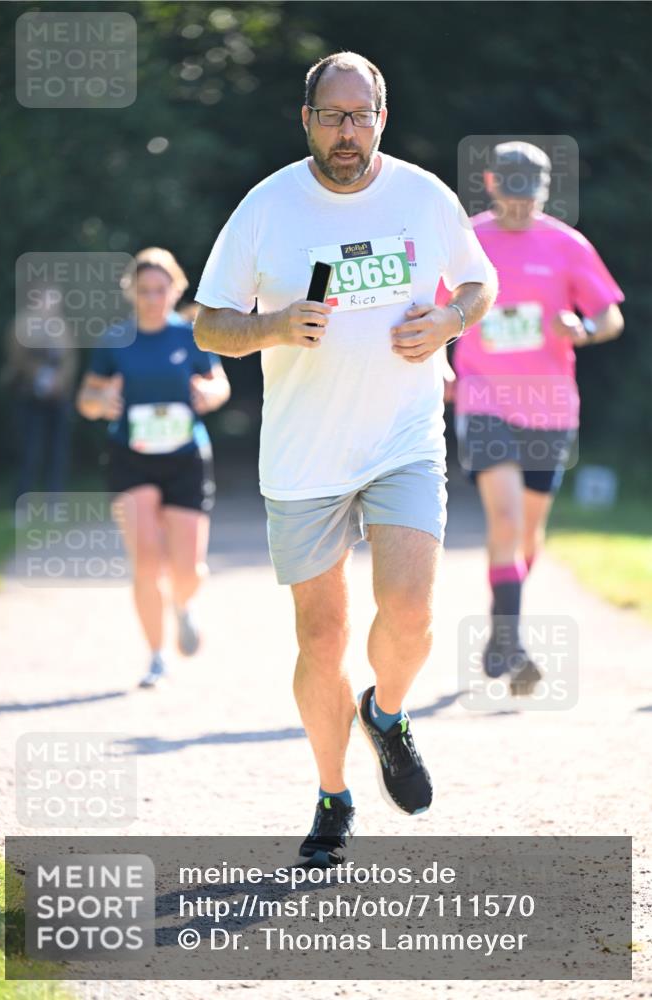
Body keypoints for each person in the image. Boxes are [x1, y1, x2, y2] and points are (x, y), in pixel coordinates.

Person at [193, 52, 497, 865]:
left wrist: (446, 326)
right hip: (304, 456)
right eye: (331, 115)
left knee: (409, 611)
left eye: (359, 116)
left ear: (381, 120)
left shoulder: (423, 196)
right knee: (321, 638)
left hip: (401, 438)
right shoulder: (267, 207)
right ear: (305, 120)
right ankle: (333, 795)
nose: (346, 131)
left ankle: (388, 714)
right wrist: (270, 326)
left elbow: (478, 284)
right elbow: (208, 323)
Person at [442, 142, 624, 693]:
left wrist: (583, 329)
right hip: (484, 398)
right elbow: (426, 310)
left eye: (530, 196)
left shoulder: (566, 245)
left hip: (549, 405)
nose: (519, 206)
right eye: (510, 193)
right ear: (493, 183)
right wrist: (438, 364)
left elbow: (609, 315)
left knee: (528, 534)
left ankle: (501, 626)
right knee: (505, 520)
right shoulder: (465, 241)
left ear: (542, 191)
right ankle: (511, 640)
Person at [77, 248, 230, 688]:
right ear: (133, 293)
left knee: (188, 570)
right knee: (146, 562)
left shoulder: (191, 336)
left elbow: (219, 382)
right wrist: (100, 402)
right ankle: (156, 655)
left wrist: (210, 394)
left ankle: (183, 605)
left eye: (160, 290)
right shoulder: (115, 341)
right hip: (132, 457)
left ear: (175, 289)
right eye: (143, 291)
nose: (152, 298)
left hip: (185, 458)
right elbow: (86, 399)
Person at [4, 284, 77, 500]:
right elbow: (18, 358)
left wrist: (59, 381)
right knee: (30, 452)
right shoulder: (22, 324)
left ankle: (53, 501)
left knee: (57, 452)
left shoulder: (62, 326)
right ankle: (22, 500)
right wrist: (40, 377)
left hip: (59, 398)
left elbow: (70, 359)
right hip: (29, 395)